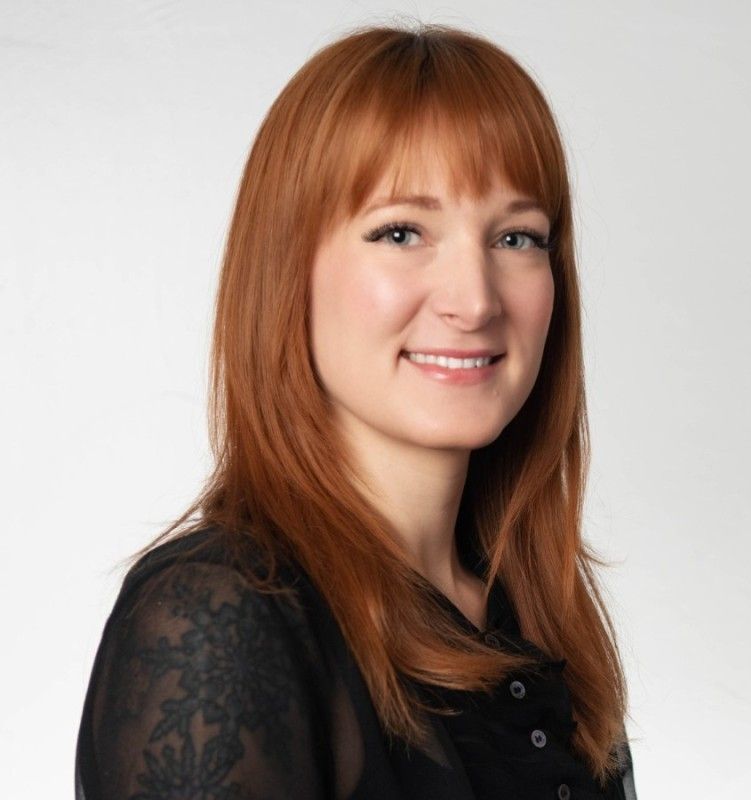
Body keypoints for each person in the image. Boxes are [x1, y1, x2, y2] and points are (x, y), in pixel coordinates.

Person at [75, 20, 637, 800]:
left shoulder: (535, 613)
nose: (475, 301)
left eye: (516, 237)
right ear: (287, 273)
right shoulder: (220, 618)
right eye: (401, 232)